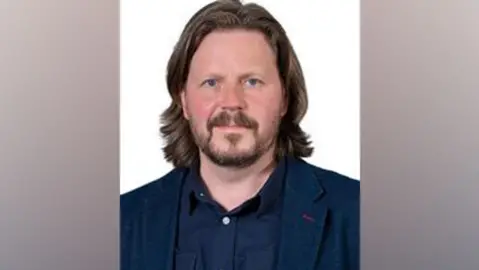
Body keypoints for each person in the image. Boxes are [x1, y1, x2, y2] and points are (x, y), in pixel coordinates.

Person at [121, 0, 359, 269]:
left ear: (284, 98)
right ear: (184, 101)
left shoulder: (360, 216)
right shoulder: (121, 222)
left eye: (251, 82)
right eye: (211, 82)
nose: (231, 101)